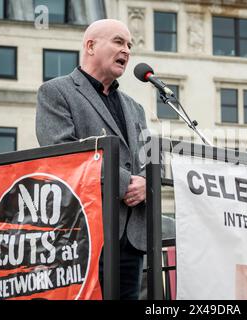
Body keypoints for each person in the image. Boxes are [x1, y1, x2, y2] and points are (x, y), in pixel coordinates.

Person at [36, 19, 149, 300]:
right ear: (90, 45)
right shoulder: (56, 92)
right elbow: (63, 152)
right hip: (84, 235)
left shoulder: (135, 108)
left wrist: (147, 183)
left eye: (129, 45)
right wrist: (124, 184)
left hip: (130, 239)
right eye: (119, 42)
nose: (127, 50)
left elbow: (148, 159)